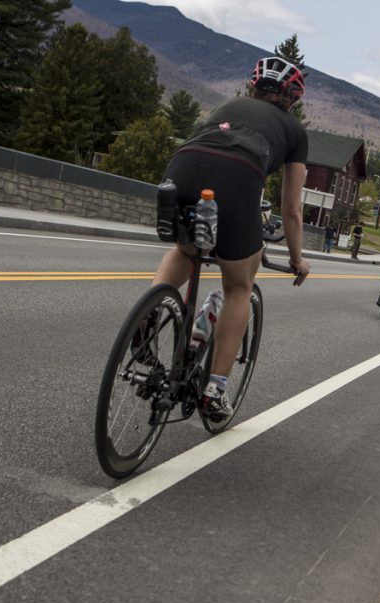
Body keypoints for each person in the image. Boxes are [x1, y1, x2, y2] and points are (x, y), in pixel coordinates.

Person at [150, 56, 311, 417]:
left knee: (186, 248)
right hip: (238, 178)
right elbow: (291, 210)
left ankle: (145, 320)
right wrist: (298, 259)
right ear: (292, 99)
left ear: (253, 86)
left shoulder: (227, 105)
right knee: (239, 286)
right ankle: (215, 391)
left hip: (183, 165)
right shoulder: (295, 132)